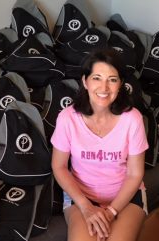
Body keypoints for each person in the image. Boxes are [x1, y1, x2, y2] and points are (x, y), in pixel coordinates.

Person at [51, 48, 149, 241]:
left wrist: (111, 212)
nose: (104, 88)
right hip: (81, 198)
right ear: (85, 81)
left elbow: (135, 174)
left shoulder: (132, 119)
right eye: (97, 78)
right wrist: (86, 207)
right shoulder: (67, 118)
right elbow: (59, 166)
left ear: (120, 84)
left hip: (126, 198)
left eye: (112, 79)